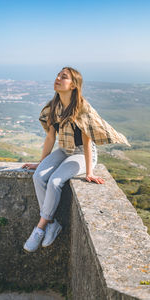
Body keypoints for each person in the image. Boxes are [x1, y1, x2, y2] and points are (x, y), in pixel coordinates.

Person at [22, 66, 130, 253]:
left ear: (73, 85)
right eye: (58, 75)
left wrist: (89, 172)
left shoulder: (82, 109)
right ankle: (52, 224)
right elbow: (50, 138)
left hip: (82, 153)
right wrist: (41, 162)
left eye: (63, 77)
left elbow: (87, 143)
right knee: (39, 176)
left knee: (55, 181)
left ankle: (40, 228)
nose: (57, 78)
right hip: (64, 150)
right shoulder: (53, 107)